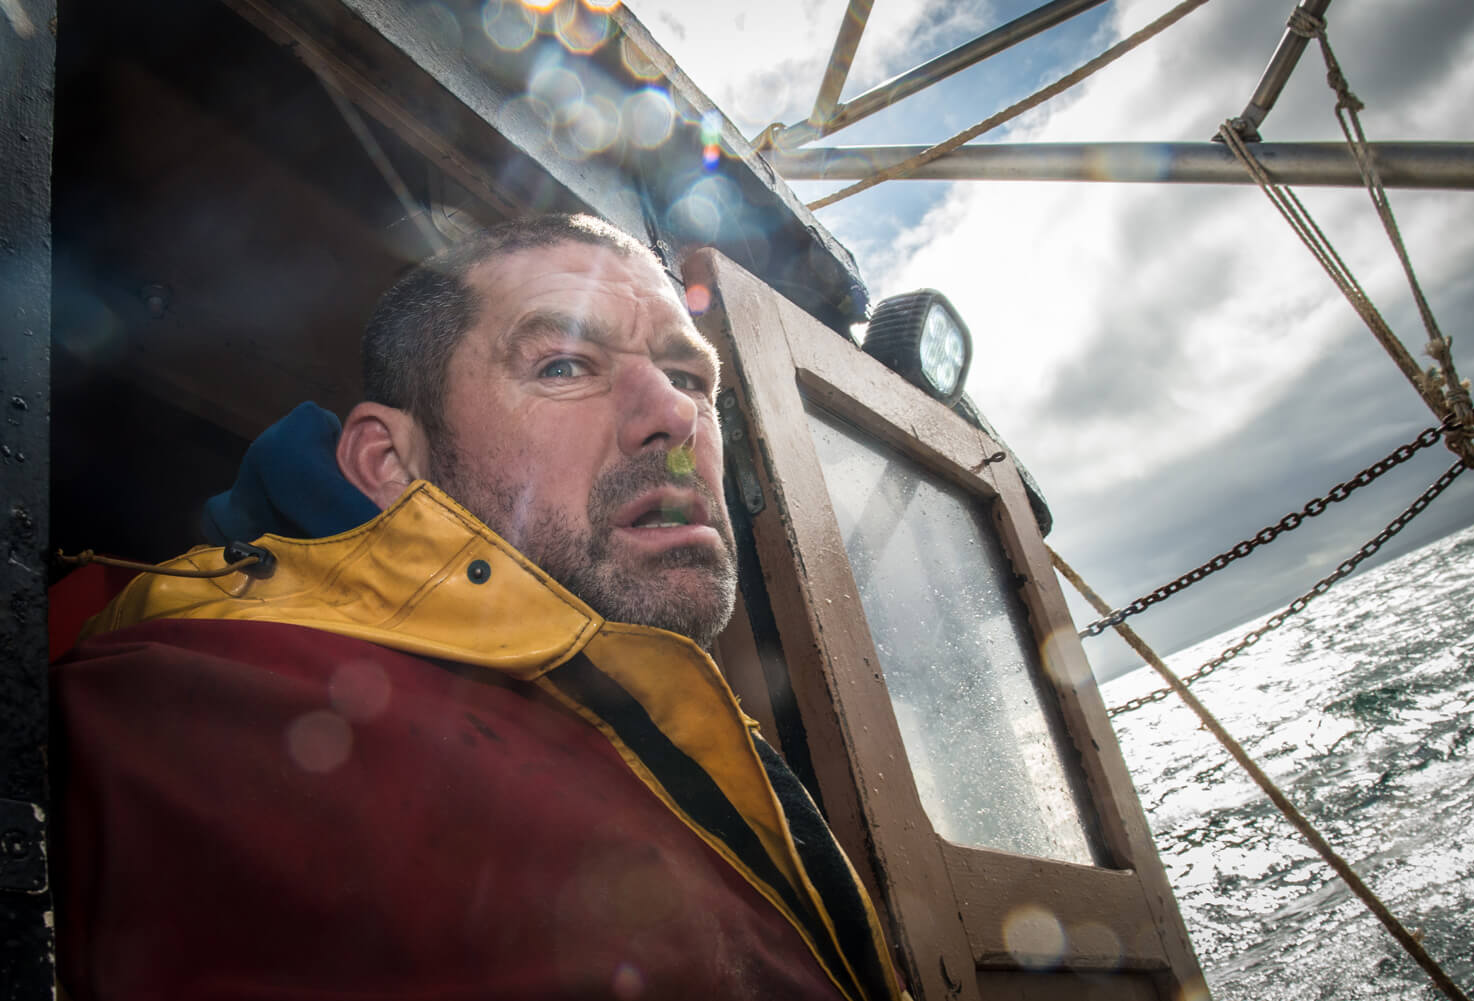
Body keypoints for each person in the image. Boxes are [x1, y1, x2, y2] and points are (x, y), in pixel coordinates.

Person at [51, 214, 908, 1001]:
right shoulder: (193, 720)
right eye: (565, 365)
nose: (674, 416)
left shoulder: (693, 729)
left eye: (690, 375)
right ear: (388, 462)